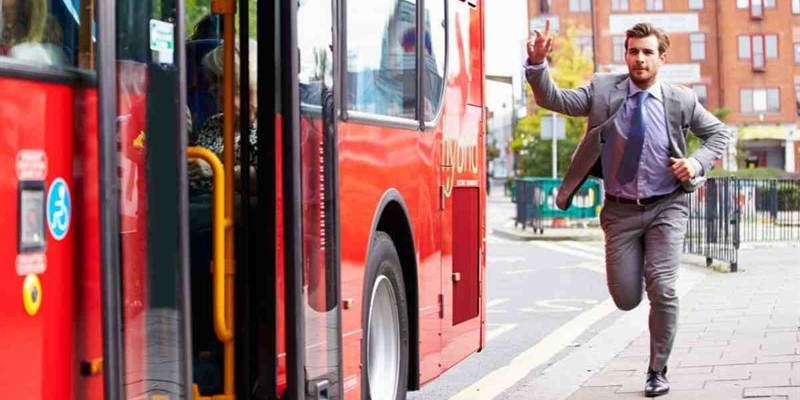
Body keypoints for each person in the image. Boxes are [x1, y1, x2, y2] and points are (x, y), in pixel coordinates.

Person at [524, 21, 730, 397]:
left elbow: (719, 133)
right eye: (633, 51)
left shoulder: (680, 100)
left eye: (647, 52)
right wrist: (538, 66)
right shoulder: (604, 89)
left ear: (661, 58)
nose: (639, 59)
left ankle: (657, 370)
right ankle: (638, 291)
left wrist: (696, 163)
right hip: (620, 212)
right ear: (626, 55)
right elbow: (556, 100)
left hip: (667, 205)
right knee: (626, 298)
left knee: (664, 288)